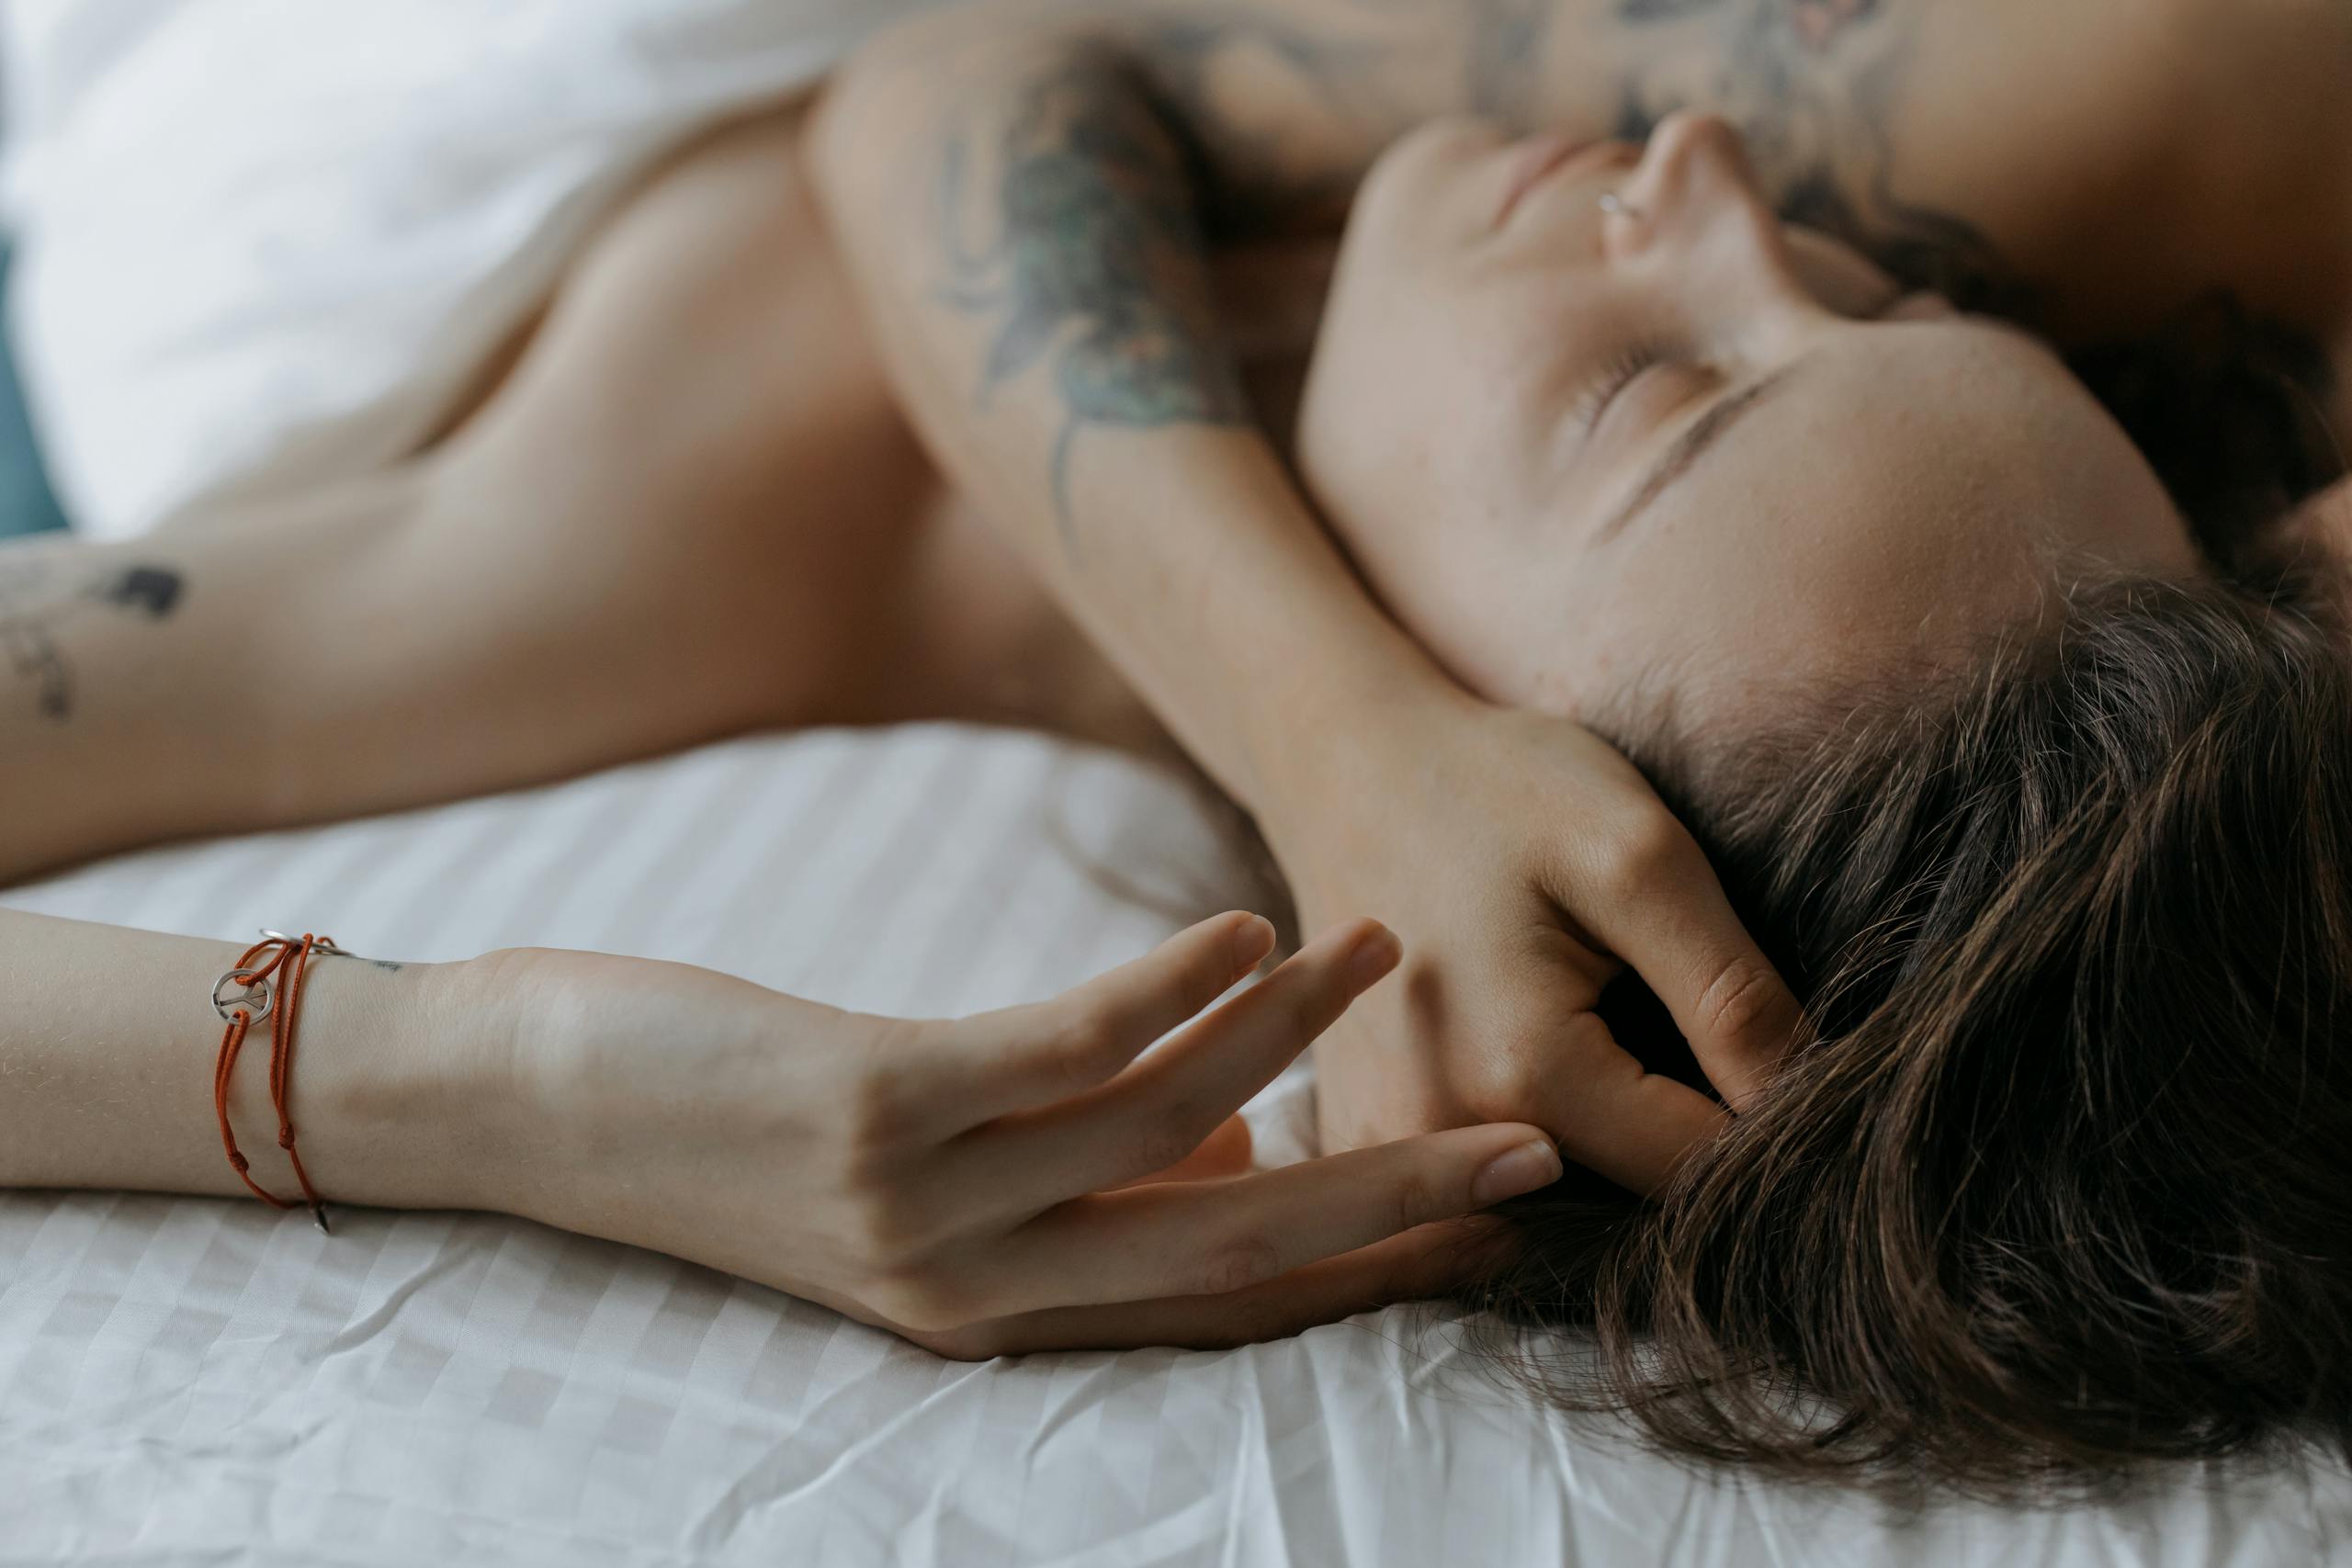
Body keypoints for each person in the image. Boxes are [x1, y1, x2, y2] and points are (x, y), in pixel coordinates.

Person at [2, 0, 2348, 1484]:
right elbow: (999, 57)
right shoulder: (2019, 171)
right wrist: (1334, 722)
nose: (1713, 173)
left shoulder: (623, 553)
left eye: (1654, 388)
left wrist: (500, 1084)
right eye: (1876, 296)